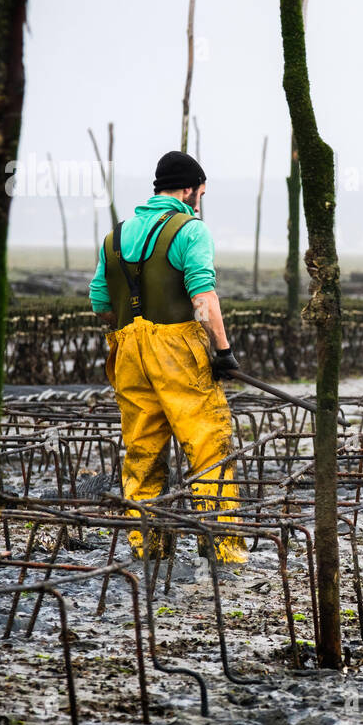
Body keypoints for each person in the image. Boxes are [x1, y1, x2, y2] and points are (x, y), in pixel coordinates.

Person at [88, 151, 246, 565]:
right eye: (201, 193)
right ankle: (222, 549)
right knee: (209, 445)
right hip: (177, 350)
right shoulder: (191, 230)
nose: (200, 201)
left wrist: (133, 329)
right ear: (190, 188)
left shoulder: (115, 237)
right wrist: (223, 352)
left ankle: (149, 549)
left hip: (126, 350)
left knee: (141, 449)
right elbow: (203, 298)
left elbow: (100, 303)